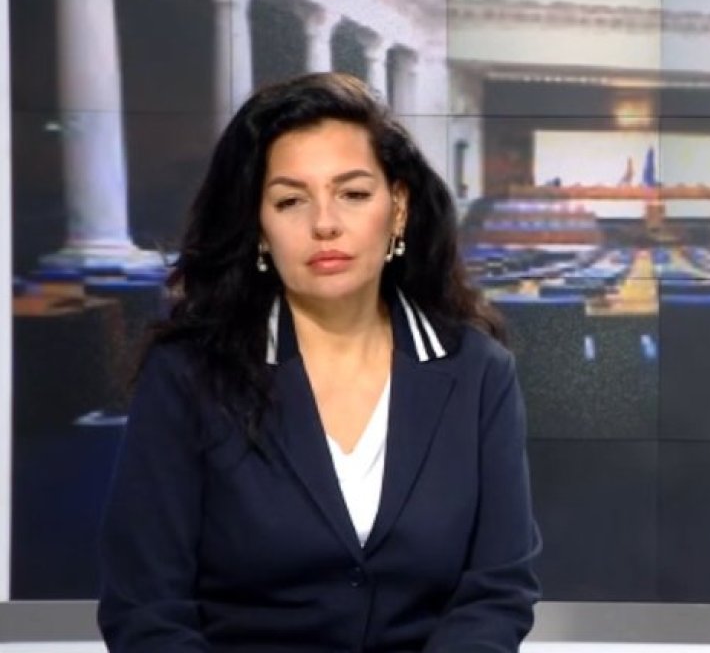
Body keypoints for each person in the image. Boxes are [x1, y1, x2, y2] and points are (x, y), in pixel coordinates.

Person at [98, 72, 540, 652]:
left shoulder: (478, 370)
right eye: (290, 200)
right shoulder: (188, 374)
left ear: (398, 208)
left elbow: (496, 591)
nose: (324, 223)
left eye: (352, 194)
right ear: (260, 228)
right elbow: (146, 609)